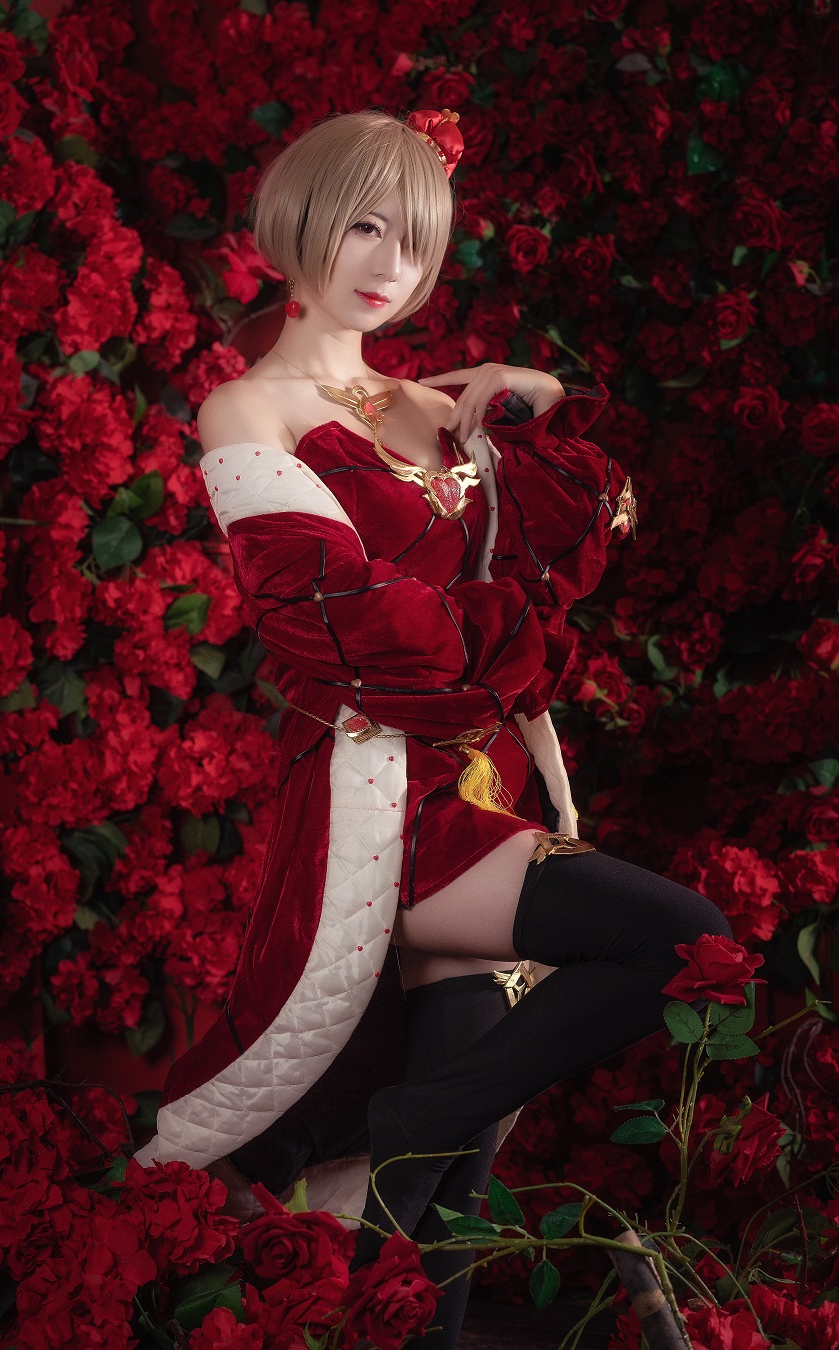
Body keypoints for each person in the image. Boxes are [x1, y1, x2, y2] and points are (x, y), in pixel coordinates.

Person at [134, 107, 732, 1347]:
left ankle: (418, 1258)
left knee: (448, 1187)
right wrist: (498, 638)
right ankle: (419, 1118)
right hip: (381, 801)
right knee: (689, 942)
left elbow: (587, 525)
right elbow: (343, 622)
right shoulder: (248, 411)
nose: (390, 266)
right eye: (365, 226)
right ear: (301, 220)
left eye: (416, 243)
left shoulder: (433, 401)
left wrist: (538, 392)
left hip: (490, 777)